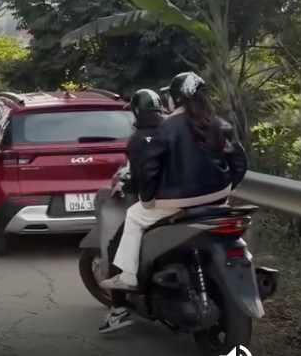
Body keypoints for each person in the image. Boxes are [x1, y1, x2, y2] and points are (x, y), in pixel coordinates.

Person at [101, 72, 248, 291]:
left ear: (176, 98)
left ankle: (129, 276)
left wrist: (148, 200)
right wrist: (227, 187)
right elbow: (238, 159)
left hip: (179, 202)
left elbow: (150, 167)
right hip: (218, 199)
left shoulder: (167, 127)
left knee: (134, 215)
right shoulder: (218, 124)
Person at [98, 88, 165, 334]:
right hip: (198, 201)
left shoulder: (138, 139)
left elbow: (143, 175)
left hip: (163, 203)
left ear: (137, 111)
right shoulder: (177, 130)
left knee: (117, 247)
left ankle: (118, 310)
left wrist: (129, 187)